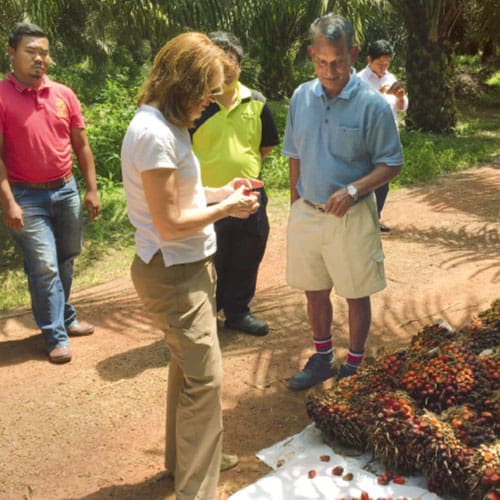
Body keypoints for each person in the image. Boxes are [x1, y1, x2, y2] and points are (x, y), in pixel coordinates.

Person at [121, 32, 260, 500]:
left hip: (185, 266)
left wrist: (223, 193)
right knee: (205, 378)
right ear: (183, 82)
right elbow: (171, 221)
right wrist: (225, 211)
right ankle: (196, 488)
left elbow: (181, 196)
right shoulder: (155, 134)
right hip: (174, 271)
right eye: (206, 91)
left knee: (188, 368)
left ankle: (185, 459)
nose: (211, 101)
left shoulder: (168, 123)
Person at [282, 14, 403, 391]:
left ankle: (354, 364)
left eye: (337, 62)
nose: (329, 71)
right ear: (311, 55)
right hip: (308, 213)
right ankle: (322, 359)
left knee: (354, 291)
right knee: (314, 289)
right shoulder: (302, 97)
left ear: (352, 54)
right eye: (321, 62)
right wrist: (295, 200)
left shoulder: (374, 105)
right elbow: (294, 153)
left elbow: (391, 163)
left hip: (352, 217)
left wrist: (353, 191)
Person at [0, 22, 100, 364]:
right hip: (26, 196)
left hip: (66, 190)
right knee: (44, 266)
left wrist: (92, 189)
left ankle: (65, 315)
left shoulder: (63, 94)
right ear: (11, 53)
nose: (39, 58)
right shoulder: (1, 97)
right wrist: (8, 201)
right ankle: (55, 334)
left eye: (44, 52)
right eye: (31, 52)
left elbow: (81, 144)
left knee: (67, 257)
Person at [191, 31, 280, 336]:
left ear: (240, 66)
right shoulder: (196, 105)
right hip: (207, 199)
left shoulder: (257, 102)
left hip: (249, 194)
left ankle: (238, 312)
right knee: (209, 258)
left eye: (231, 63)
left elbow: (266, 146)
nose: (225, 70)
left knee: (248, 252)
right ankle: (207, 315)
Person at [357, 39, 408, 232]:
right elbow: (356, 106)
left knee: (383, 180)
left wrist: (400, 98)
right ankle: (361, 220)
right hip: (367, 137)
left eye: (387, 63)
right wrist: (377, 94)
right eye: (380, 63)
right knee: (365, 178)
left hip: (388, 136)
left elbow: (401, 108)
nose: (384, 67)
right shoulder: (360, 79)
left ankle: (375, 218)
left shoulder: (391, 78)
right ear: (369, 60)